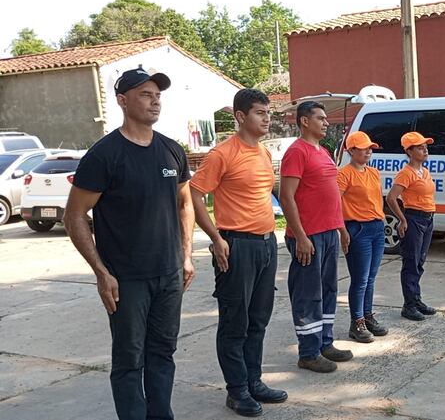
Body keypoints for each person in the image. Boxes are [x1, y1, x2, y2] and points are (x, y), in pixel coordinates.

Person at [64, 67, 195, 420]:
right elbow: (74, 216)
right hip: (127, 280)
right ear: (123, 101)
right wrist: (101, 272)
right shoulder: (105, 155)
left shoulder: (171, 150)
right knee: (129, 360)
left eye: (157, 96)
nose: (154, 102)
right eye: (145, 95)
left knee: (163, 352)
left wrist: (185, 256)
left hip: (169, 275)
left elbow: (185, 203)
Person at [189, 89, 287, 417]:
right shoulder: (222, 154)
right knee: (235, 321)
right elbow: (195, 193)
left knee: (258, 318)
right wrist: (216, 238)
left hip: (265, 243)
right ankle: (237, 390)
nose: (267, 118)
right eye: (260, 112)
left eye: (268, 112)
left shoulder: (261, 153)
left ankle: (254, 381)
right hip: (236, 245)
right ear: (241, 117)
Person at [279, 101, 352, 373]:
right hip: (308, 236)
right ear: (304, 121)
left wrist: (341, 228)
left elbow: (330, 194)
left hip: (328, 232)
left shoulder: (322, 151)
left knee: (329, 290)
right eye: (320, 118)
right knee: (308, 294)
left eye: (326, 118)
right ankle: (308, 352)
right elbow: (286, 196)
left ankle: (325, 342)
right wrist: (300, 236)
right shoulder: (297, 152)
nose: (326, 122)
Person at [338, 131, 389, 343]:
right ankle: (356, 321)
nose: (369, 151)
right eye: (363, 148)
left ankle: (367, 315)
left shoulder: (374, 172)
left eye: (370, 148)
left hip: (376, 227)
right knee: (360, 279)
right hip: (357, 229)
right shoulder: (344, 174)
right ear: (351, 151)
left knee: (371, 277)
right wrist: (342, 231)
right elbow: (335, 203)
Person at [386, 131, 438, 321]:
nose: (425, 150)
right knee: (411, 263)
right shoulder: (406, 173)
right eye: (420, 147)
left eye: (425, 147)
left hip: (427, 218)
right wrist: (402, 219)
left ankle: (416, 300)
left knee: (419, 261)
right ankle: (409, 305)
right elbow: (392, 198)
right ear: (409, 151)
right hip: (414, 219)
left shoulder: (424, 171)